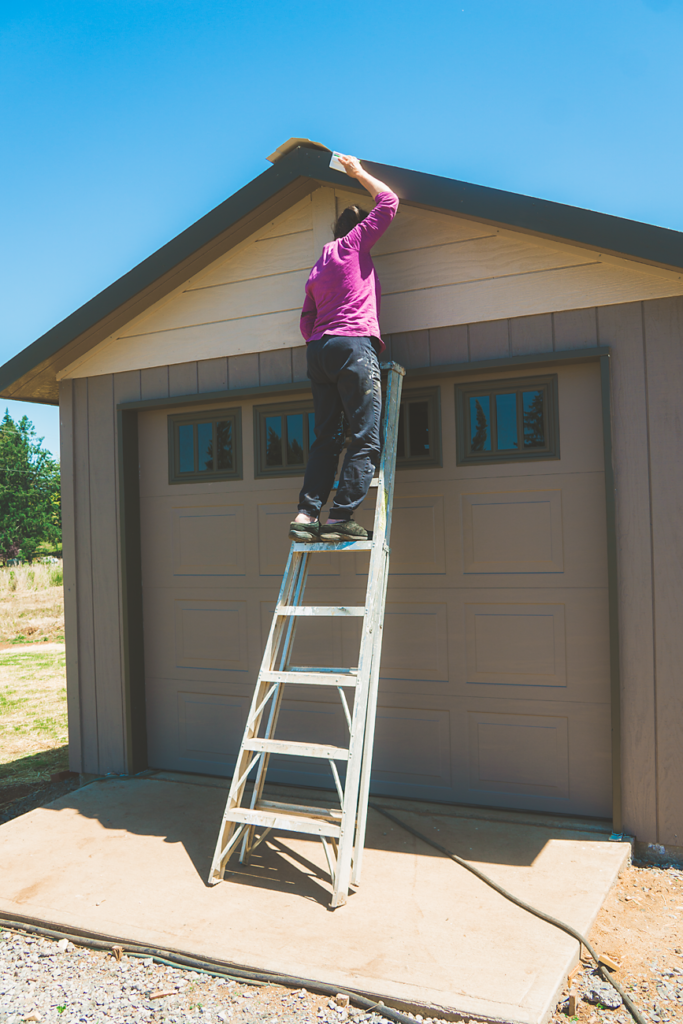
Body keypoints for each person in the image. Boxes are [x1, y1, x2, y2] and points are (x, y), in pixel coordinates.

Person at [289, 155, 399, 543]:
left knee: (326, 438)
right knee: (365, 435)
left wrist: (324, 339)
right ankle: (340, 518)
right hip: (352, 345)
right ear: (358, 229)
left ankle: (306, 516)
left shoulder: (319, 264)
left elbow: (306, 320)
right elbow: (389, 202)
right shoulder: (354, 243)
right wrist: (357, 173)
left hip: (319, 351)